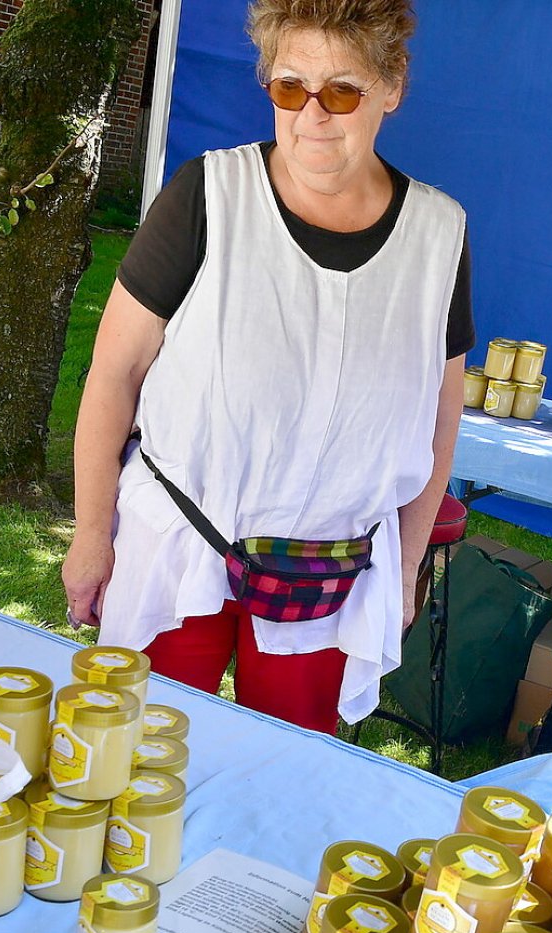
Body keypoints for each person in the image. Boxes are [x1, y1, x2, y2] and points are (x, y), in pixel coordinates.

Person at [62, 0, 473, 734]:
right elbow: (114, 373)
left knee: (282, 768)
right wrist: (93, 533)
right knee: (134, 765)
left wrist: (407, 567)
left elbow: (439, 419)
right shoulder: (207, 195)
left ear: (391, 88)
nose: (313, 115)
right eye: (290, 88)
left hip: (332, 573)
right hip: (180, 544)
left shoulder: (439, 235)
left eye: (342, 91)